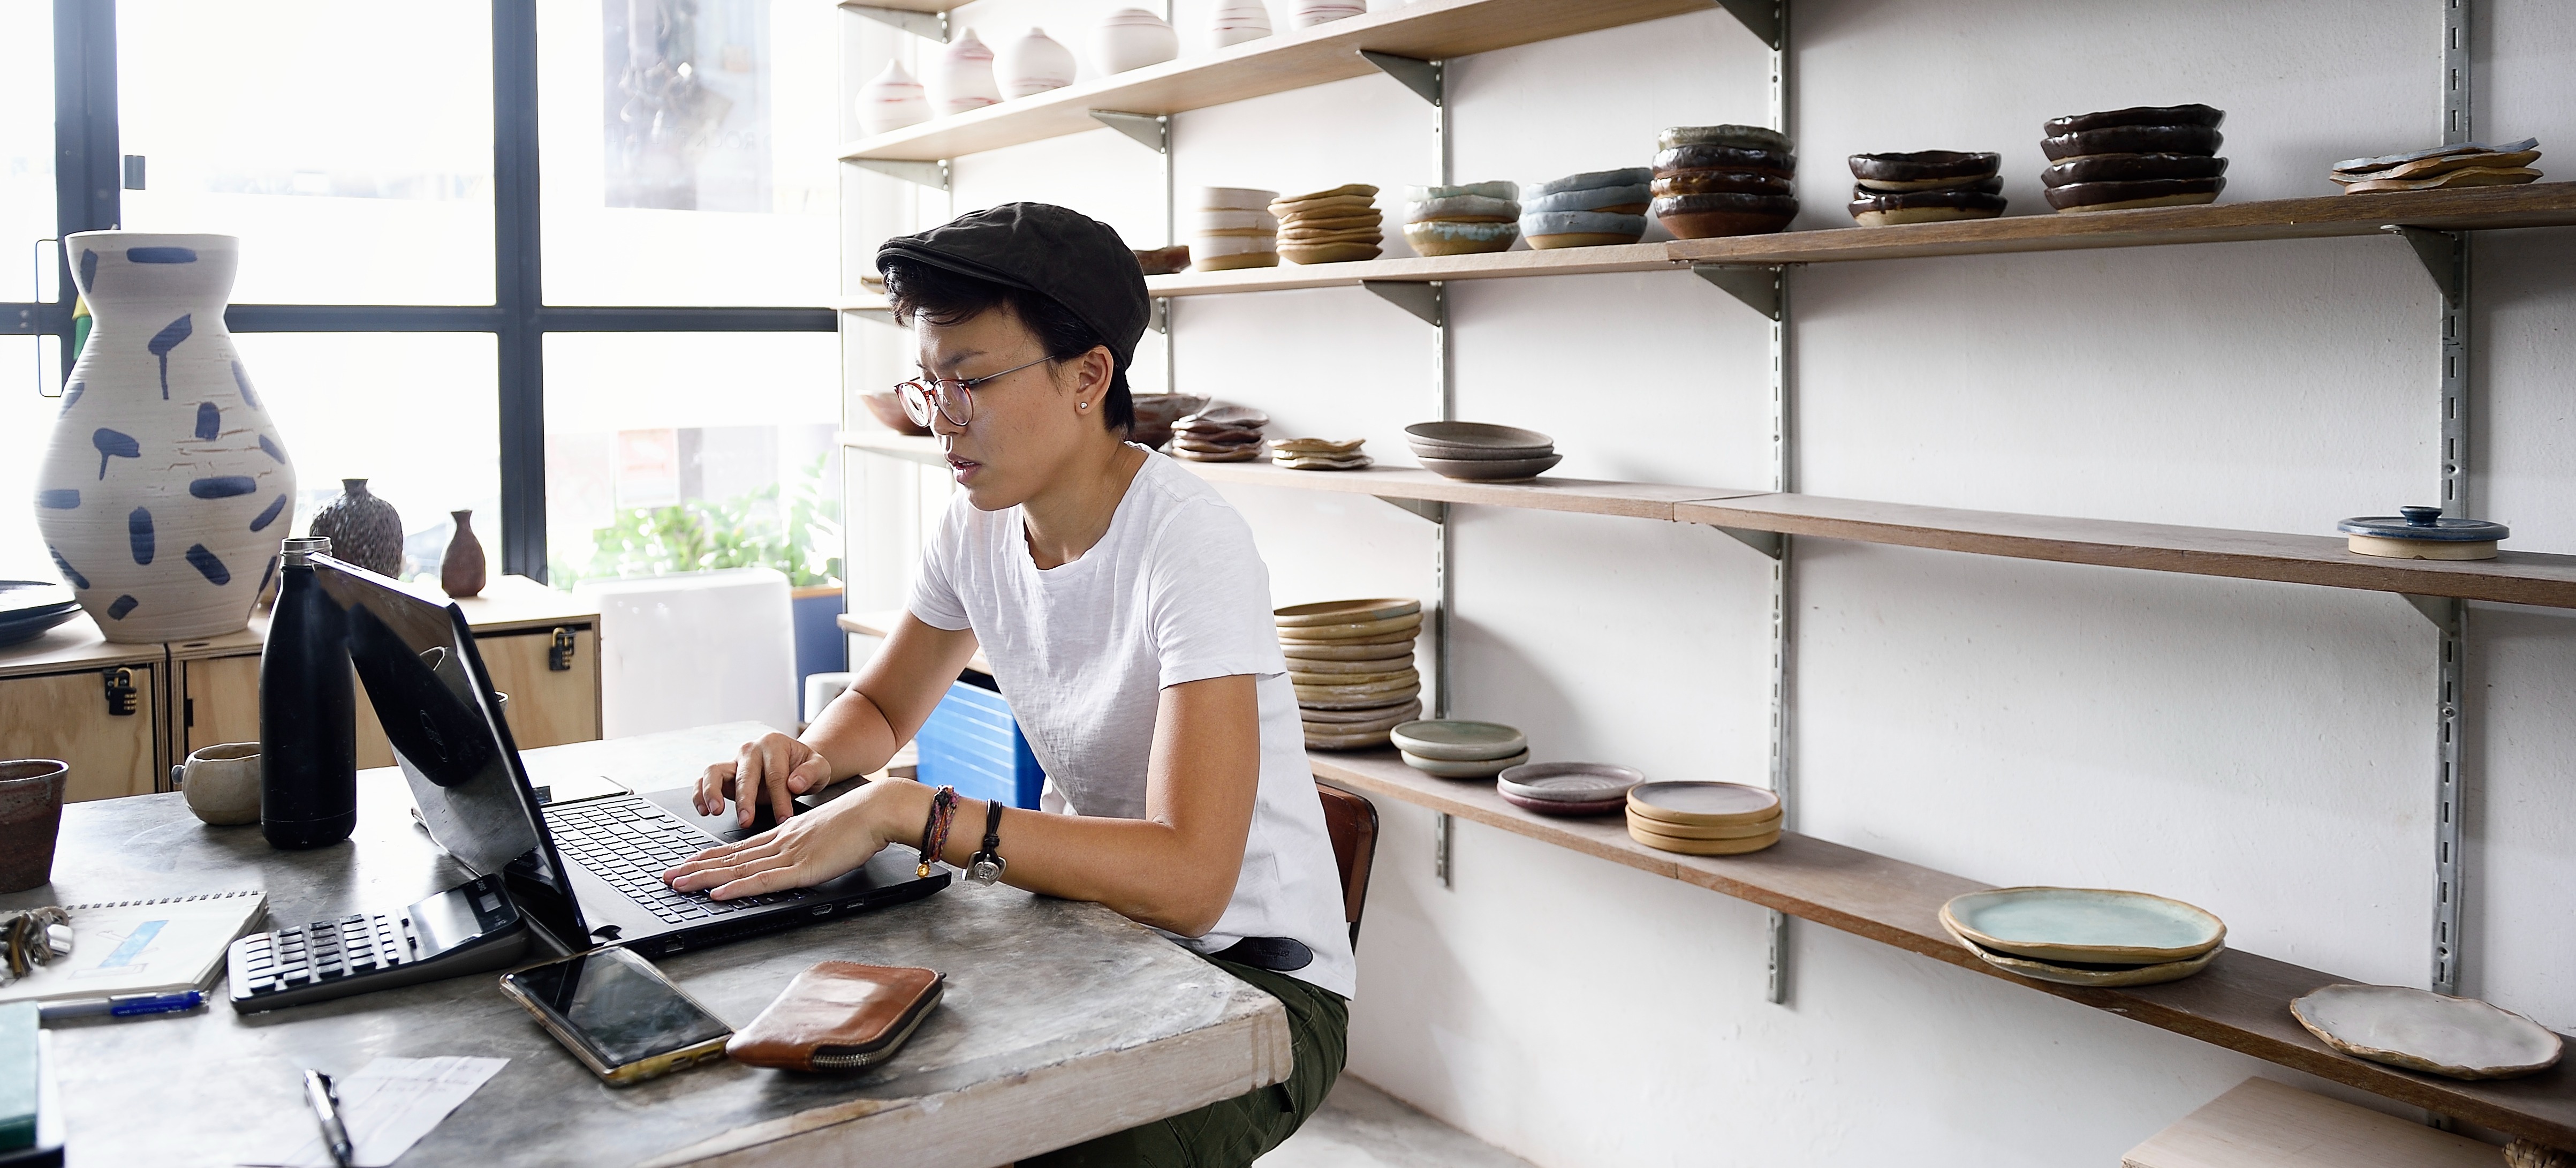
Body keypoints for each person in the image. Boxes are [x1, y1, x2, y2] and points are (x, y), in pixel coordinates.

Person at [662, 203, 1353, 1166]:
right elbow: (884, 706)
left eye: (972, 380)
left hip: (1256, 986)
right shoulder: (977, 522)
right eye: (928, 382)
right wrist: (810, 756)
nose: (941, 416)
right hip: (1087, 937)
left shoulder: (1189, 542)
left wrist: (912, 811)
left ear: (1089, 376)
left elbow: (1193, 881)